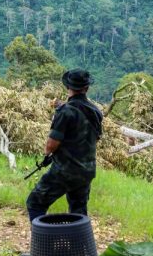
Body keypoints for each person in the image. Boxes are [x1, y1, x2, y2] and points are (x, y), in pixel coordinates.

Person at [26, 69, 103, 222]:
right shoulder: (95, 111)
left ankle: (43, 242)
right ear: (86, 88)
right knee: (78, 212)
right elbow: (96, 138)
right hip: (87, 170)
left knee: (35, 202)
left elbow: (51, 145)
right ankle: (78, 244)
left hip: (65, 171)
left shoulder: (65, 111)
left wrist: (47, 155)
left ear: (68, 87)